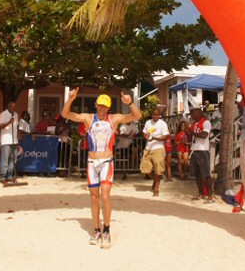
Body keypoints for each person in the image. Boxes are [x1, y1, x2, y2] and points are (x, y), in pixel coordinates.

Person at [62, 88, 141, 249]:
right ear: (96, 105)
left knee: (105, 196)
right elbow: (66, 114)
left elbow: (137, 116)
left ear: (108, 107)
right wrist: (71, 99)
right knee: (94, 198)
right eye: (100, 105)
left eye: (105, 106)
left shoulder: (114, 119)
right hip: (92, 162)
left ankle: (107, 229)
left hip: (106, 162)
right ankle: (96, 229)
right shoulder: (88, 118)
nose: (102, 108)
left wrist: (130, 103)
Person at [140, 108, 170, 197]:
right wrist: (147, 137)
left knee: (158, 169)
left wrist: (154, 138)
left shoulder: (163, 124)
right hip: (148, 148)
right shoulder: (148, 123)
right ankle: (155, 180)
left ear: (159, 115)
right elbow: (145, 133)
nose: (155, 116)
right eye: (153, 114)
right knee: (145, 169)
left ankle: (156, 189)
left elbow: (165, 136)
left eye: (156, 115)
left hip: (158, 148)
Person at [189, 108, 214, 204]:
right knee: (197, 175)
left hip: (202, 150)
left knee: (206, 175)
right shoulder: (194, 124)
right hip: (194, 150)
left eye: (193, 113)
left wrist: (192, 133)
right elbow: (192, 136)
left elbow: (204, 135)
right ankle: (201, 193)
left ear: (199, 113)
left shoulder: (206, 122)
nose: (192, 115)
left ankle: (210, 196)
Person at [0, 101, 19, 185]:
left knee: (13, 160)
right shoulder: (3, 114)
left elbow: (17, 126)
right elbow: (0, 126)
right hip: (6, 140)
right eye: (12, 107)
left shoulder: (15, 114)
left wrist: (18, 133)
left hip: (14, 140)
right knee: (5, 160)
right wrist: (9, 122)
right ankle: (2, 177)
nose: (14, 108)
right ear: (8, 106)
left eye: (15, 107)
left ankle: (10, 176)